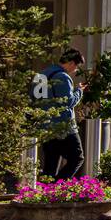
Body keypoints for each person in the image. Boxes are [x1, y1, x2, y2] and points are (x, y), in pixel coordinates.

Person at [34, 49, 86, 179]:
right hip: (63, 127)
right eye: (76, 67)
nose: (75, 71)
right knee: (77, 158)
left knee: (51, 164)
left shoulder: (42, 74)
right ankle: (57, 187)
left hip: (45, 126)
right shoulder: (63, 76)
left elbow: (34, 98)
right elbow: (67, 102)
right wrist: (79, 91)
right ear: (72, 63)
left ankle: (46, 193)